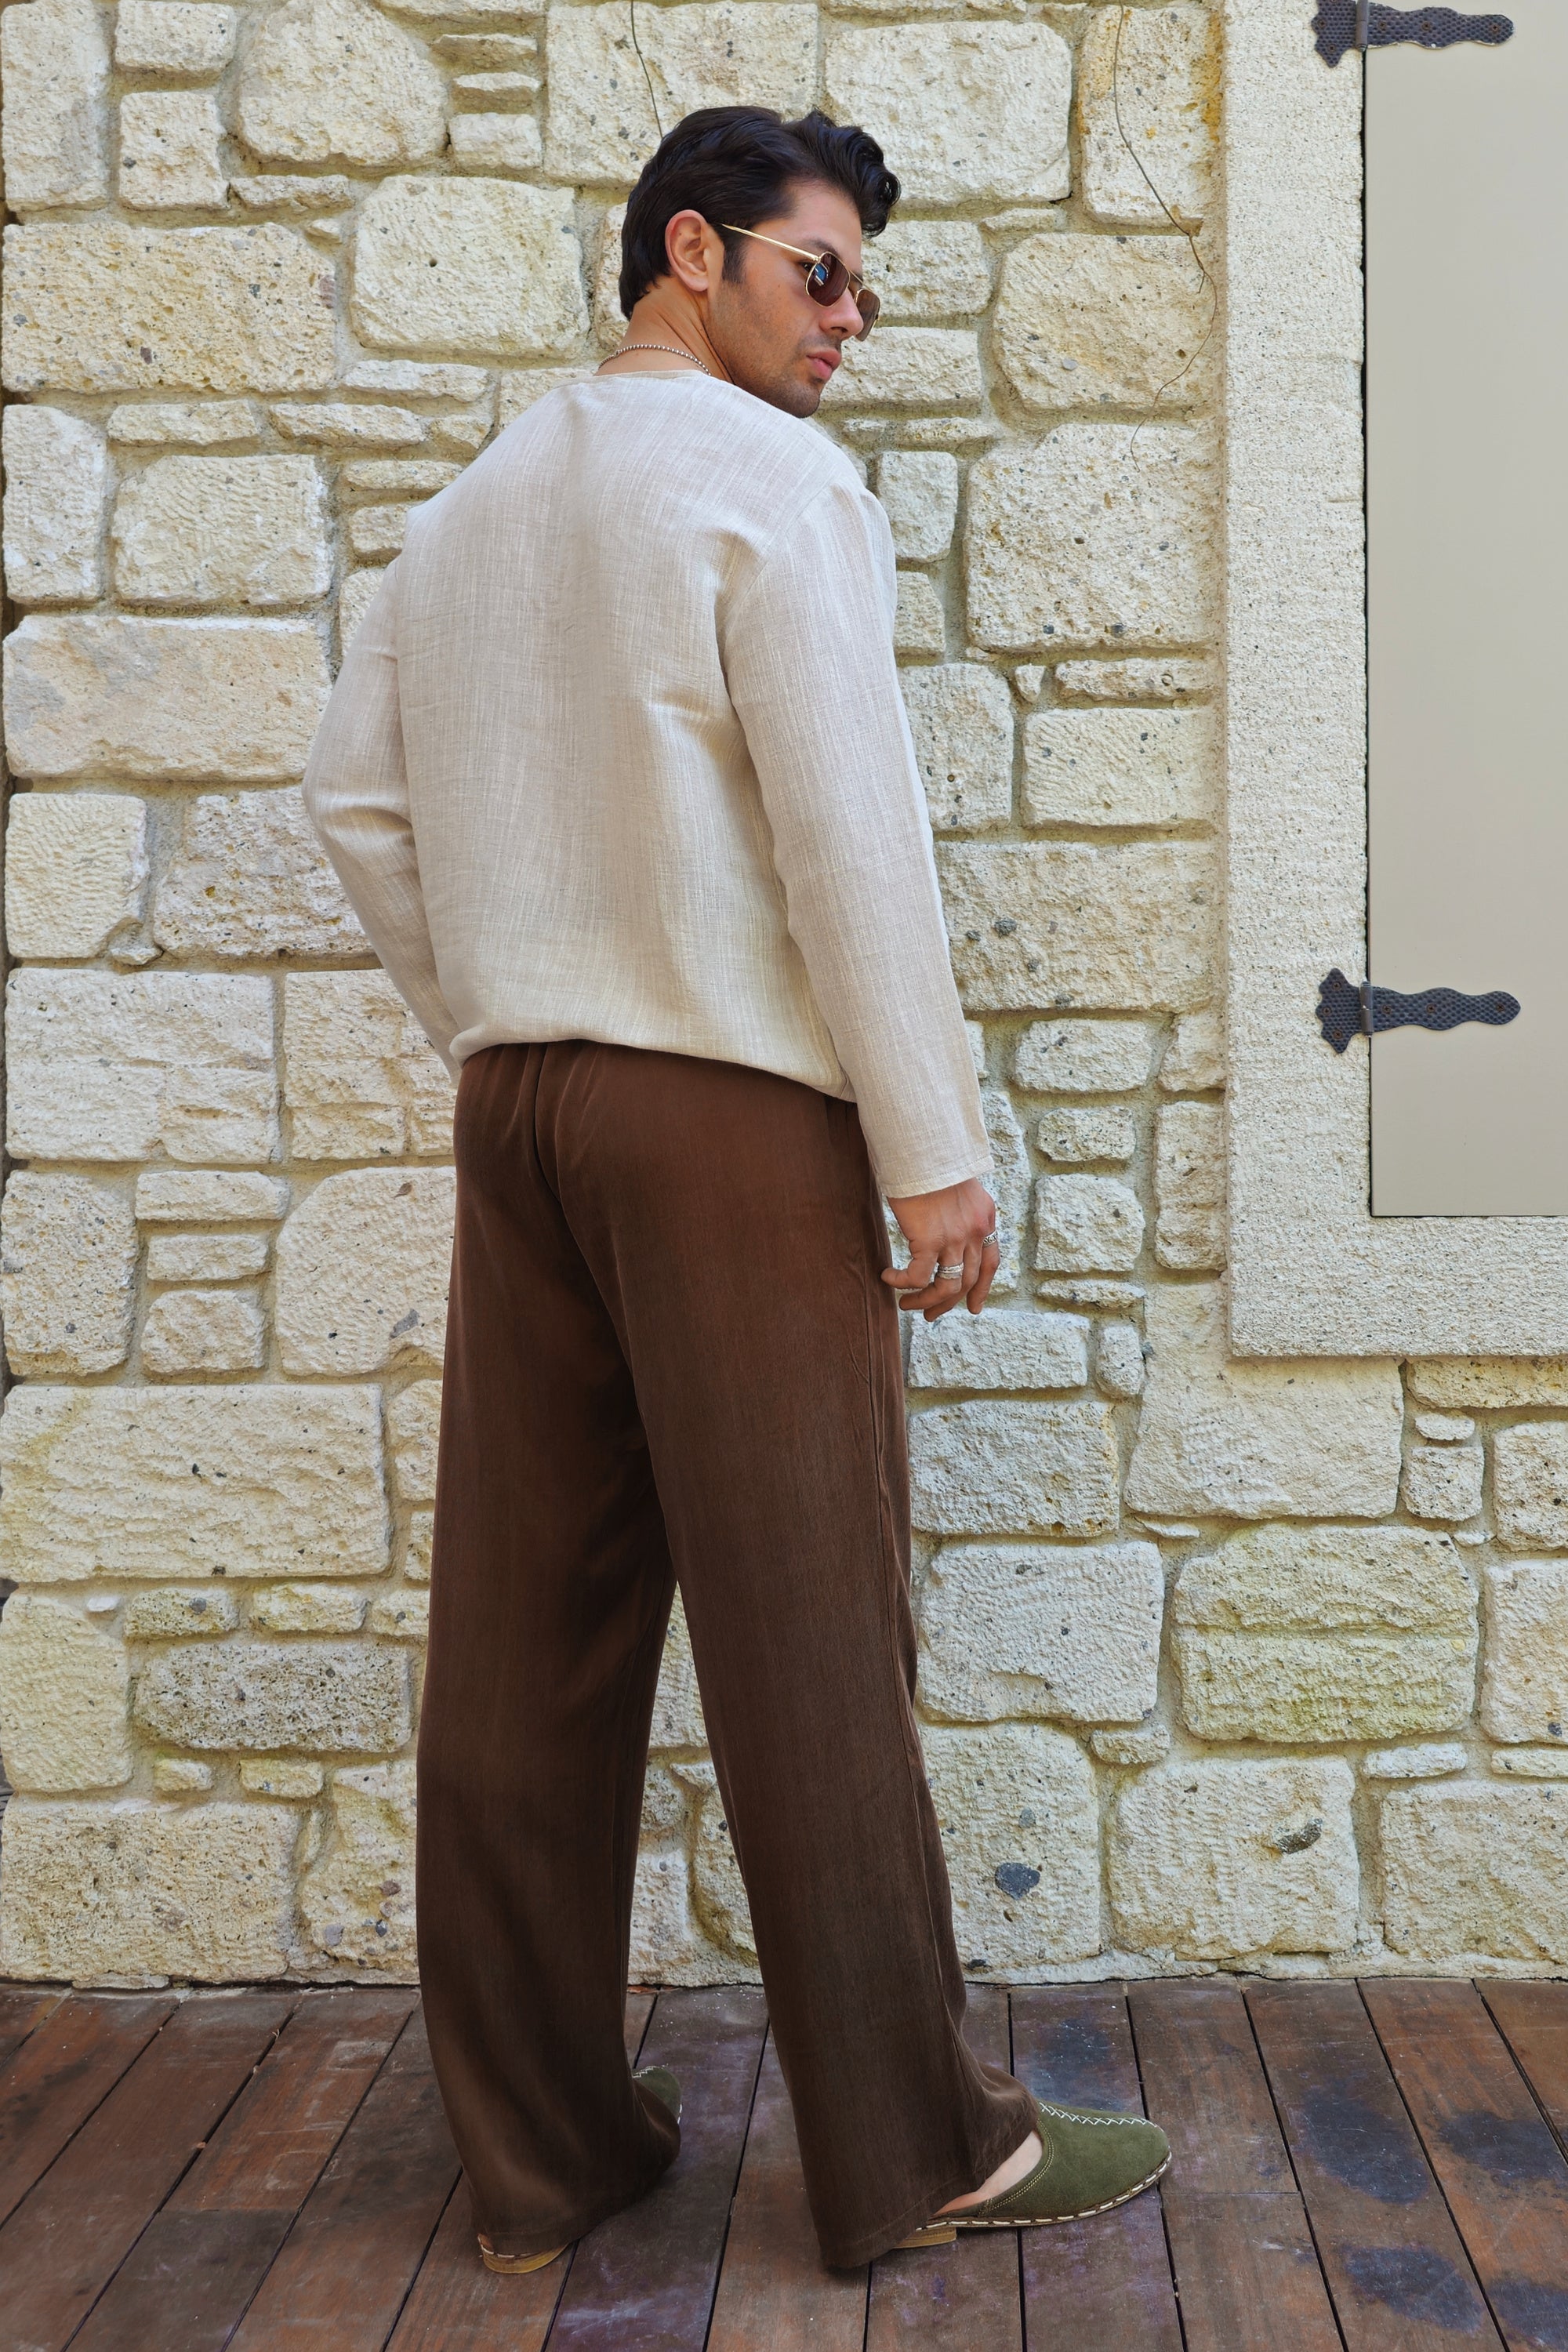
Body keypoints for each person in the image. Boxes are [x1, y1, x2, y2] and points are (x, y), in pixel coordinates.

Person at [303, 102, 1169, 2276]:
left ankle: (541, 2157)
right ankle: (921, 2154)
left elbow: (355, 798)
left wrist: (499, 1013)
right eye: (820, 273)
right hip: (726, 1119)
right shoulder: (771, 481)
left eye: (865, 285)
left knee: (523, 1645)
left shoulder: (474, 505)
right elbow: (846, 833)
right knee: (809, 1636)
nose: (851, 321)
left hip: (528, 1107)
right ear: (690, 250)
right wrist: (931, 1151)